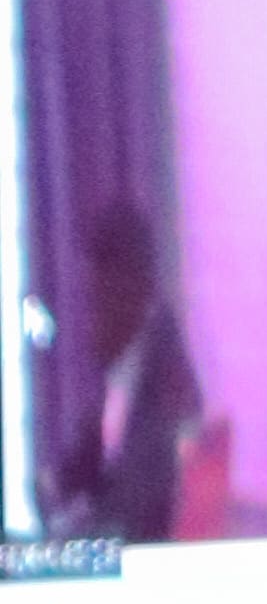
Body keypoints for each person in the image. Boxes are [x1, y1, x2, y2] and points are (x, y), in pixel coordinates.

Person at [54, 197, 199, 544]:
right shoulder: (123, 371)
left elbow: (139, 512)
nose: (90, 314)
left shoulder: (165, 382)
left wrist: (67, 540)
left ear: (133, 284)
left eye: (96, 294)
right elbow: (83, 473)